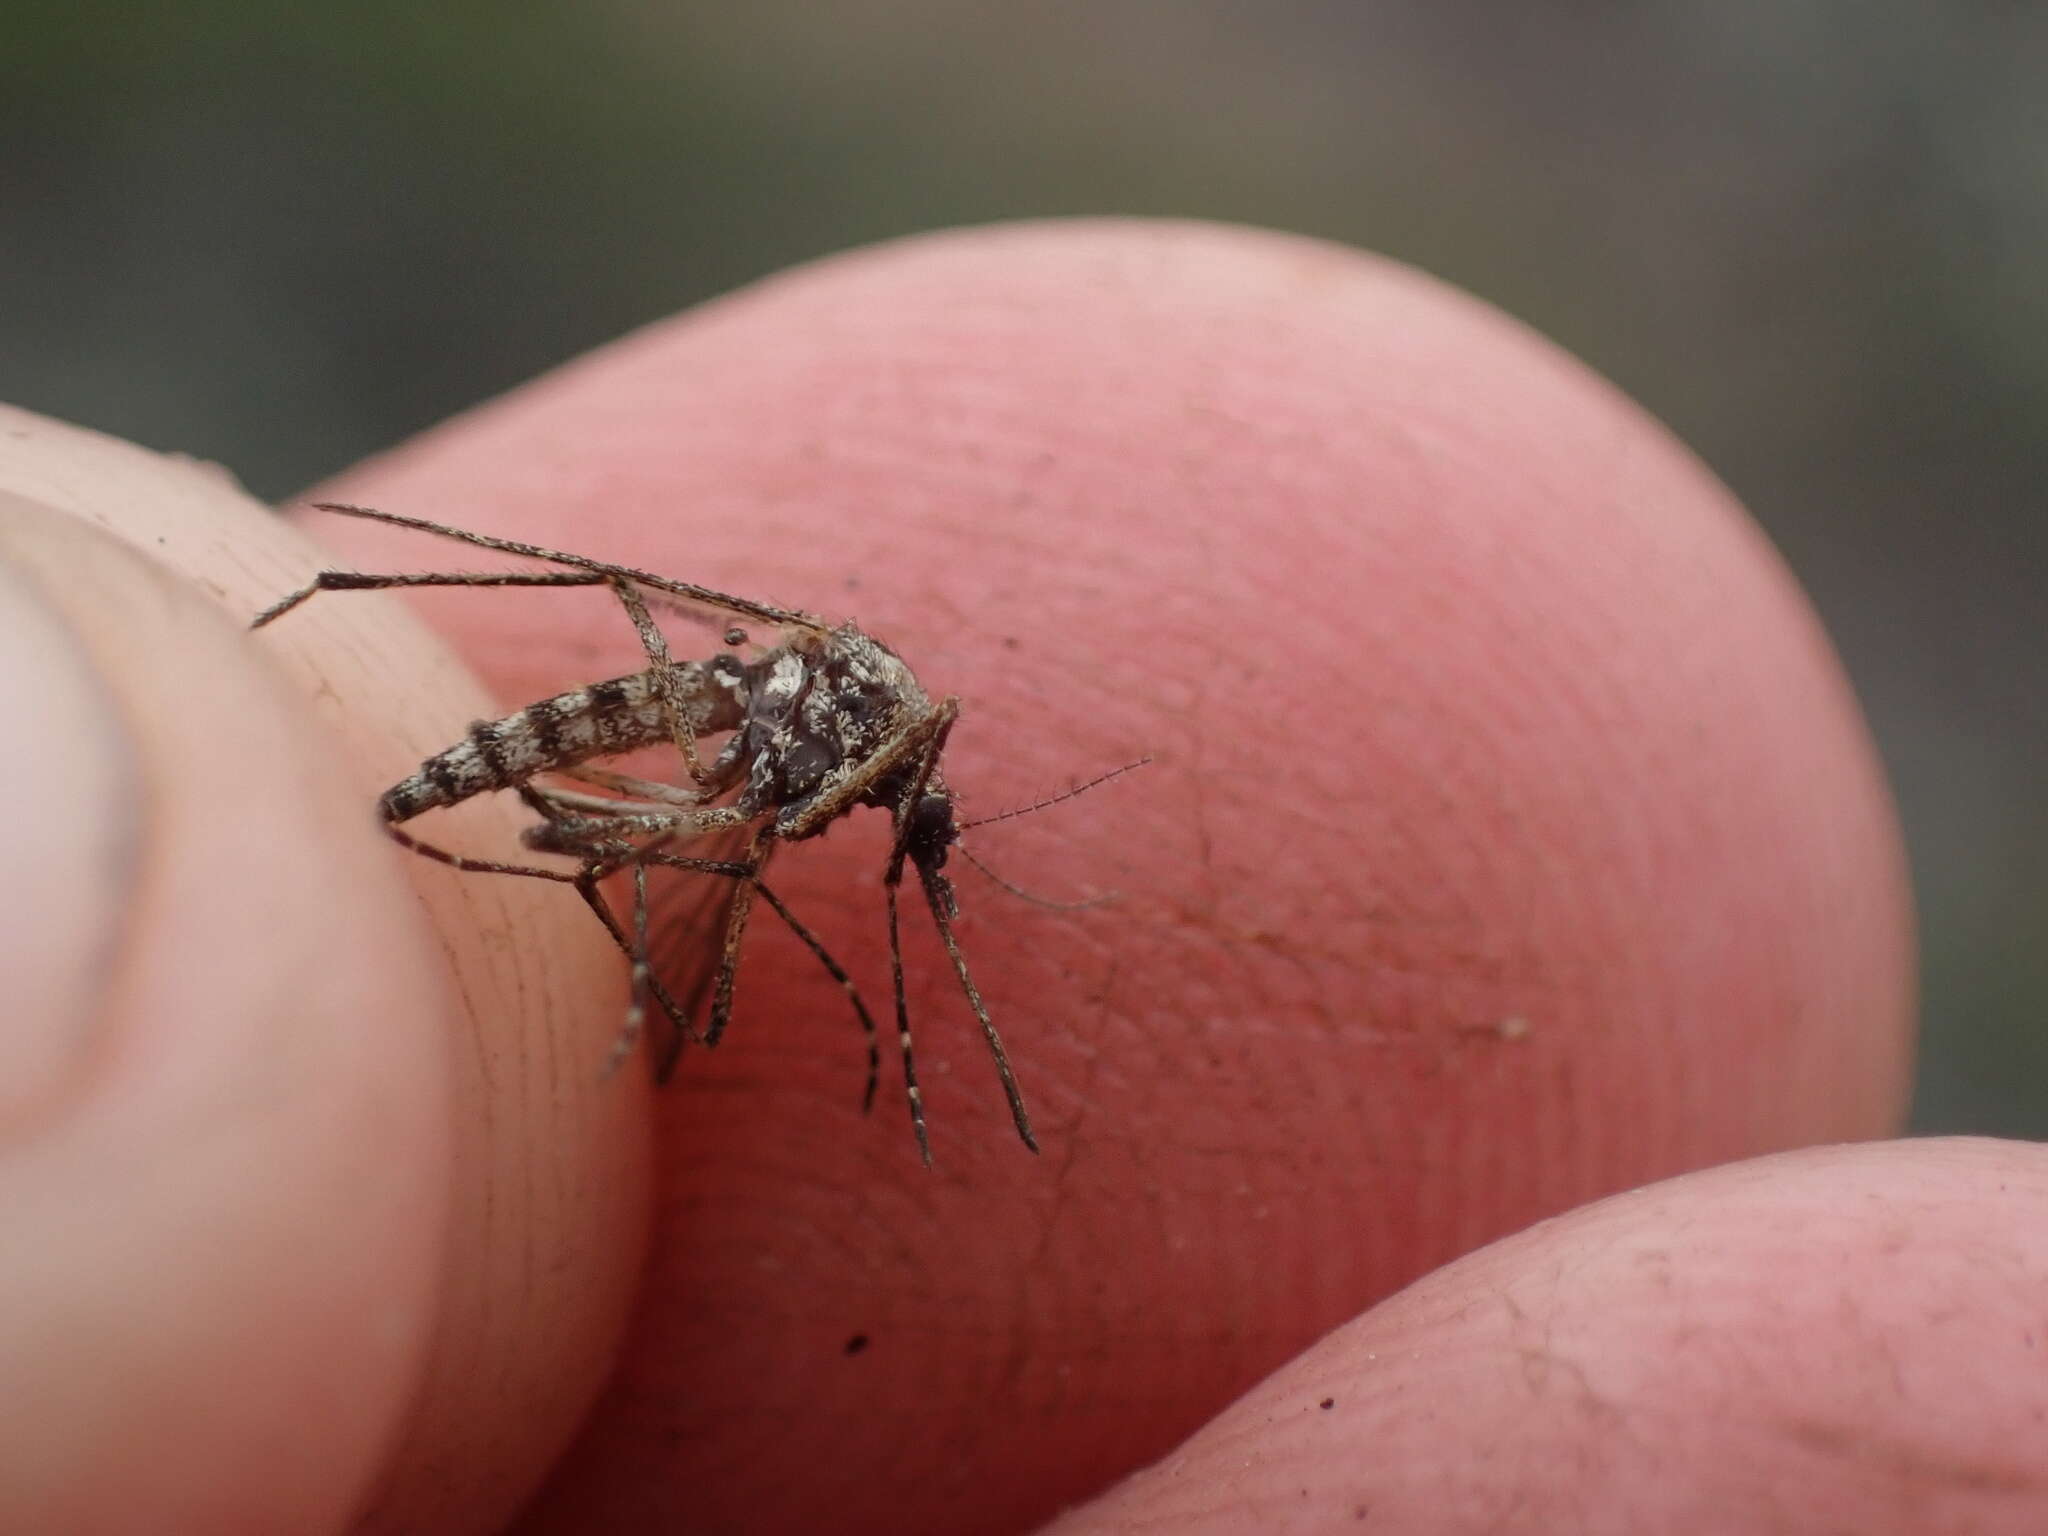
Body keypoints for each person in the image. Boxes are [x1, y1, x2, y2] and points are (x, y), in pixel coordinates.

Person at [1, 222, 2034, 1536]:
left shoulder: (873, 752)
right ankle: (297, 631)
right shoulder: (840, 764)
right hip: (655, 739)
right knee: (649, 880)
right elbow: (730, 756)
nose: (918, 857)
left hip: (690, 748)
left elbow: (810, 825)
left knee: (655, 865)